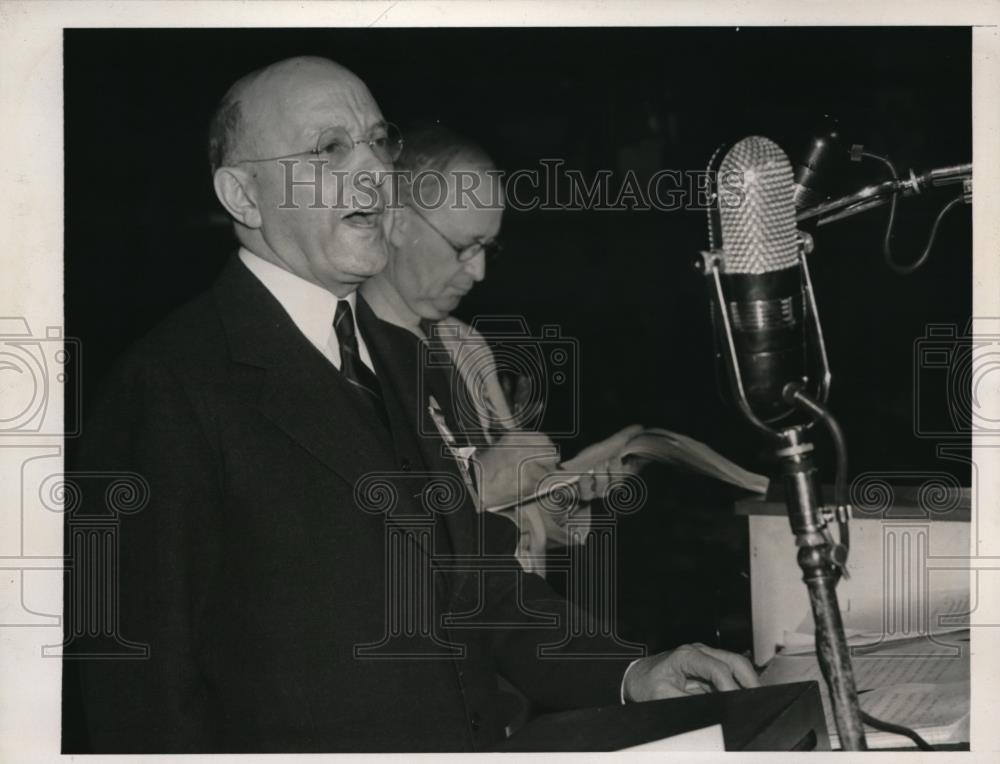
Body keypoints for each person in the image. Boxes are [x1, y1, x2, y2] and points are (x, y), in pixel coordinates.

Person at [65, 56, 759, 754]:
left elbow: (477, 588)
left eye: (378, 141)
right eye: (331, 149)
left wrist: (632, 674)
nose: (372, 171)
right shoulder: (168, 386)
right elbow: (140, 688)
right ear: (244, 196)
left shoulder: (393, 356)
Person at [361, 126, 642, 576]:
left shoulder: (466, 345)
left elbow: (517, 527)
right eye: (464, 247)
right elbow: (363, 544)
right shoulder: (348, 356)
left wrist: (566, 490)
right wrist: (478, 485)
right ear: (396, 220)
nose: (479, 271)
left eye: (488, 247)